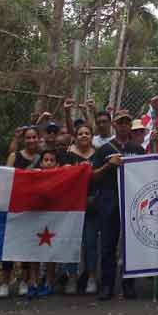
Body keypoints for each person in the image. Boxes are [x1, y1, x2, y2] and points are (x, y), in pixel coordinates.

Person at [92, 110, 141, 300]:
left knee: (131, 244)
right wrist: (109, 165)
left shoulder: (137, 149)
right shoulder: (104, 149)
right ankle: (107, 285)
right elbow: (93, 176)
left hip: (131, 199)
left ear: (130, 126)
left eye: (126, 123)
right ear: (115, 125)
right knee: (108, 244)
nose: (123, 126)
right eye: (120, 123)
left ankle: (129, 284)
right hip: (109, 198)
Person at [0, 126, 43, 298]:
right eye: (28, 137)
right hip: (14, 206)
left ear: (38, 138)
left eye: (34, 137)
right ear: (24, 140)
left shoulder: (42, 158)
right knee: (9, 244)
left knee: (27, 244)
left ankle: (24, 281)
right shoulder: (14, 156)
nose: (31, 140)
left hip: (33, 207)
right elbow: (6, 176)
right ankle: (4, 282)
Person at [65, 123, 100, 294]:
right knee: (72, 242)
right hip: (72, 206)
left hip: (92, 205)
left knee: (91, 242)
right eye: (80, 133)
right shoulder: (68, 156)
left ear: (92, 136)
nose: (84, 135)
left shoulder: (98, 155)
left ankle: (92, 278)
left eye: (87, 133)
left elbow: (102, 178)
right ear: (75, 137)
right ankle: (72, 278)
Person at [28, 149, 62, 299]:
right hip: (36, 216)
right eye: (45, 160)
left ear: (57, 164)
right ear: (41, 163)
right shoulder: (33, 175)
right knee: (34, 250)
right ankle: (33, 281)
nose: (48, 163)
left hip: (53, 217)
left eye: (52, 160)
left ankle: (49, 281)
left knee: (50, 250)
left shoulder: (62, 176)